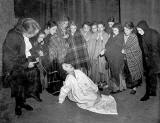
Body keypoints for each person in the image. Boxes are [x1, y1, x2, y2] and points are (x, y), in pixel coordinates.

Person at [2, 18, 42, 116]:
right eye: (33, 34)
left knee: (25, 85)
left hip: (22, 61)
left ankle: (23, 102)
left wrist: (35, 56)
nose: (34, 36)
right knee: (18, 87)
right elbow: (9, 59)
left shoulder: (23, 33)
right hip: (13, 66)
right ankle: (18, 106)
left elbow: (28, 48)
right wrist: (27, 64)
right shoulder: (13, 36)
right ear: (26, 31)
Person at [137, 20, 160, 101]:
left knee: (152, 76)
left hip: (156, 59)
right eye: (138, 30)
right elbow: (143, 48)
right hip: (147, 59)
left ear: (144, 28)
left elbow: (155, 50)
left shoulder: (154, 34)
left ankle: (148, 93)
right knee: (149, 77)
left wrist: (154, 65)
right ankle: (152, 92)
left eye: (140, 30)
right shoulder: (142, 35)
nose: (139, 32)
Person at [102, 23, 126, 93]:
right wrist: (105, 49)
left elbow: (115, 47)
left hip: (118, 57)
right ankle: (115, 87)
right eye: (113, 30)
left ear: (119, 30)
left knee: (118, 72)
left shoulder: (121, 36)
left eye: (115, 30)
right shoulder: (112, 35)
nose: (114, 31)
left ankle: (119, 88)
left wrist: (105, 51)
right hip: (112, 57)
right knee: (113, 72)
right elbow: (107, 44)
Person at [122, 21, 143, 94]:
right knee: (128, 72)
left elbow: (135, 49)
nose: (125, 31)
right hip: (126, 58)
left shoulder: (133, 36)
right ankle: (130, 85)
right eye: (124, 29)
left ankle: (134, 87)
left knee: (133, 72)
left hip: (134, 57)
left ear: (131, 29)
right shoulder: (123, 35)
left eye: (127, 30)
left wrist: (126, 51)